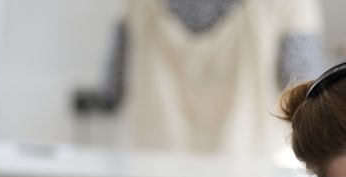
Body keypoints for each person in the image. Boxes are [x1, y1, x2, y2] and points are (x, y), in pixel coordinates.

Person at [75, 0, 325, 158]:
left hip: (155, 168)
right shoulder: (294, 4)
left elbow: (112, 89)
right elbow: (303, 91)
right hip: (248, 170)